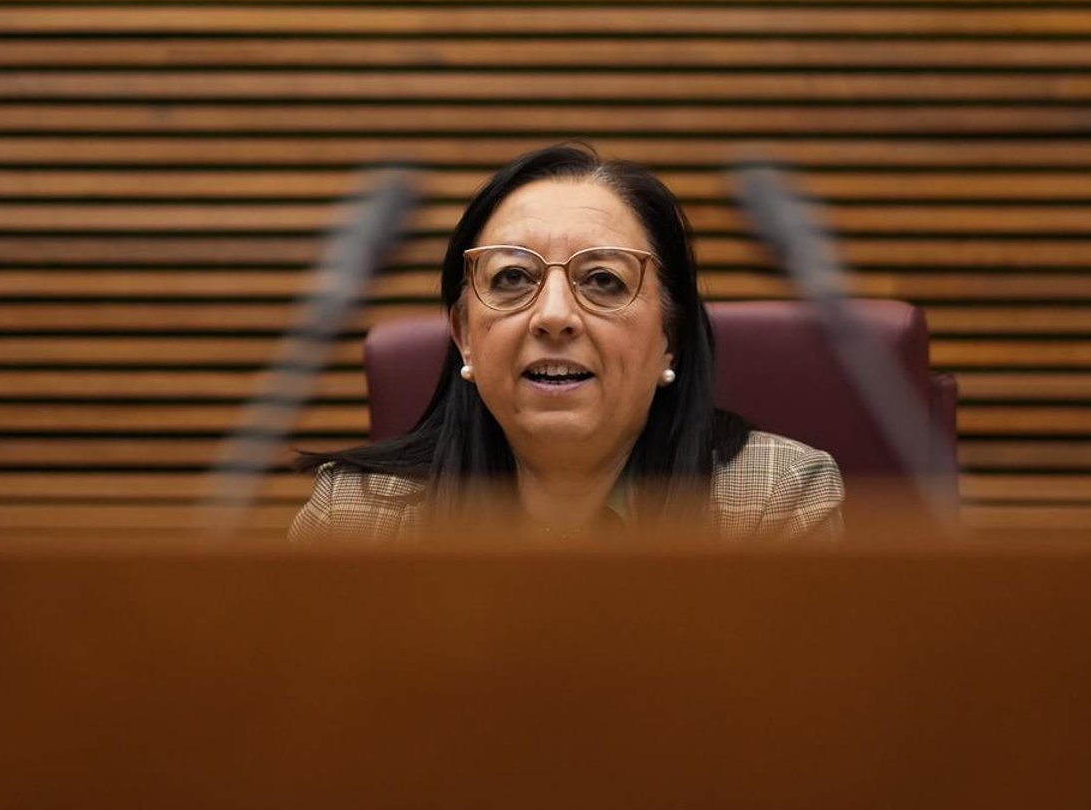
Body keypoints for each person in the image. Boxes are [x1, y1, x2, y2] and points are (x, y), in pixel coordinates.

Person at [288, 143, 843, 542]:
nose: (554, 316)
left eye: (604, 280)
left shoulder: (772, 500)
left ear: (670, 338)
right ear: (463, 337)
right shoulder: (358, 518)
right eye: (512, 278)